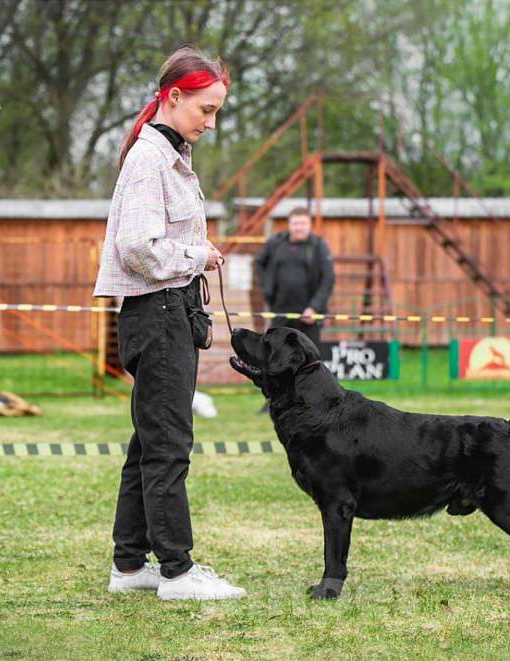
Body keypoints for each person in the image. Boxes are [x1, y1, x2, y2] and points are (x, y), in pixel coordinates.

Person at [93, 45, 244, 601]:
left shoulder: (169, 155)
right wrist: (196, 254)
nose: (211, 122)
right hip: (156, 315)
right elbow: (137, 247)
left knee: (148, 443)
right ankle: (178, 572)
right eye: (205, 109)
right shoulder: (149, 159)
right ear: (174, 97)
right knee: (168, 447)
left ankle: (130, 566)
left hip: (166, 314)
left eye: (216, 111)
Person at [254, 207, 336, 346]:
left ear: (309, 225)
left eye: (303, 224)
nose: (299, 228)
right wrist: (266, 288)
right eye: (295, 223)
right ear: (289, 224)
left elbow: (328, 278)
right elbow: (258, 261)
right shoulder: (276, 243)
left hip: (308, 315)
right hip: (280, 313)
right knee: (276, 355)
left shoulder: (318, 246)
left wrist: (314, 307)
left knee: (308, 360)